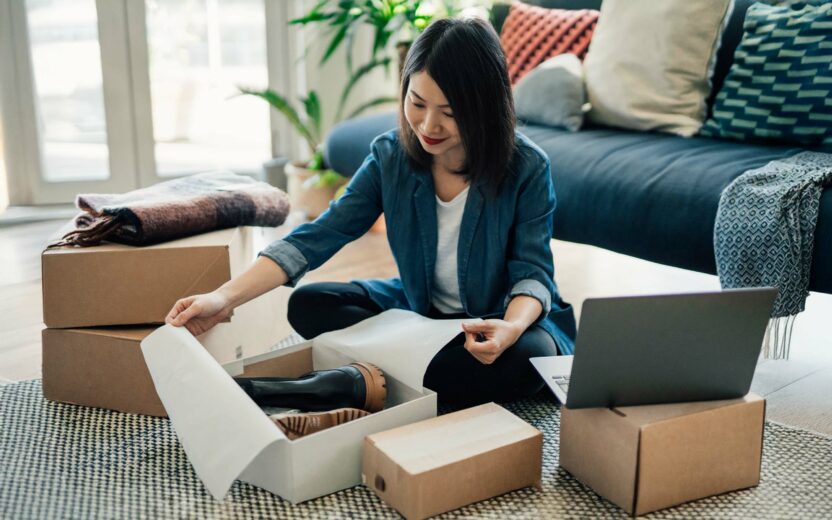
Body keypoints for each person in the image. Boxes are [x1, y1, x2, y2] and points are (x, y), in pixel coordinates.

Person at [166, 16, 576, 408]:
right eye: (417, 102)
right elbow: (318, 237)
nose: (428, 125)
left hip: (496, 319)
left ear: (484, 108)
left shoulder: (527, 167)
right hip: (420, 313)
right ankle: (389, 375)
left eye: (450, 113)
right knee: (308, 304)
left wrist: (512, 327)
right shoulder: (390, 157)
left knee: (527, 359)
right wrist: (222, 298)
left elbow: (532, 273)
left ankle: (350, 380)